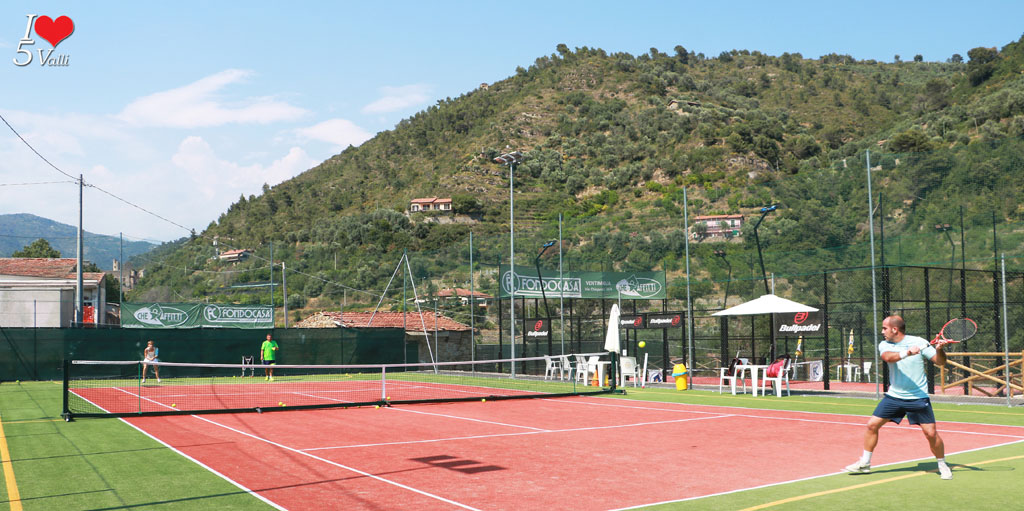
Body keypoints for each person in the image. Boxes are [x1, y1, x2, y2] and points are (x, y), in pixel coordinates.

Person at [845, 315, 952, 480]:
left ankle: (942, 465)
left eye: (884, 328)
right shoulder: (884, 345)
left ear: (895, 329)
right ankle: (865, 462)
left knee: (931, 434)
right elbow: (888, 358)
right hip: (894, 396)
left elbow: (940, 362)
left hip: (917, 397)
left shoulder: (919, 341)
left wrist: (939, 349)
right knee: (872, 425)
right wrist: (908, 352)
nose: (882, 332)